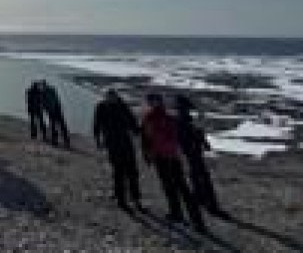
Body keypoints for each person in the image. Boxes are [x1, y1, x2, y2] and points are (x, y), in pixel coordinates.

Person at [141, 93, 206, 233]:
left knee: (175, 187)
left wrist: (147, 154)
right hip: (170, 156)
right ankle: (191, 219)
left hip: (164, 156)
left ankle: (183, 216)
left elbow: (147, 139)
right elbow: (147, 138)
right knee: (179, 187)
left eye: (154, 101)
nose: (153, 103)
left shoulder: (152, 118)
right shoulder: (167, 117)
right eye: (151, 101)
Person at [175, 95, 229, 218]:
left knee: (196, 177)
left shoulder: (184, 120)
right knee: (203, 179)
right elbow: (192, 135)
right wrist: (202, 143)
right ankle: (211, 206)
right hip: (193, 152)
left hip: (192, 152)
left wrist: (203, 143)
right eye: (186, 108)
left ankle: (201, 199)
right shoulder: (184, 121)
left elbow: (196, 134)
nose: (187, 110)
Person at [93, 89, 142, 212]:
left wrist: (138, 131)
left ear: (116, 97)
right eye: (109, 97)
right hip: (112, 144)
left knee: (132, 172)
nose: (111, 98)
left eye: (112, 96)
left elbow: (132, 121)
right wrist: (98, 139)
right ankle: (121, 200)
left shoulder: (122, 106)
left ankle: (136, 199)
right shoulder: (101, 107)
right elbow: (97, 124)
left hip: (126, 144)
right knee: (118, 172)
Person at [42, 81, 70, 148]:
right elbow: (56, 100)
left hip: (54, 111)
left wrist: (47, 109)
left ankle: (59, 141)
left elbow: (46, 103)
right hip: (56, 110)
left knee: (57, 126)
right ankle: (63, 141)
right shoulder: (51, 90)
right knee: (60, 126)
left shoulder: (45, 92)